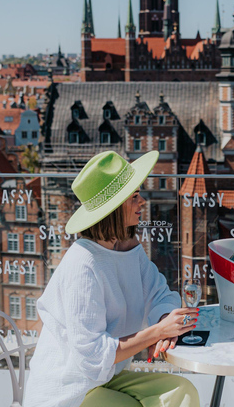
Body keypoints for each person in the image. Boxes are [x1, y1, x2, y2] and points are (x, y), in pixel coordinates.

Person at [24, 150, 200, 407]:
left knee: (183, 392)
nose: (143, 202)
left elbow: (159, 293)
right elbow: (92, 357)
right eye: (135, 197)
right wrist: (156, 332)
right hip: (69, 391)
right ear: (115, 208)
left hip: (105, 377)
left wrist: (164, 323)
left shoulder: (126, 249)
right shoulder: (83, 265)